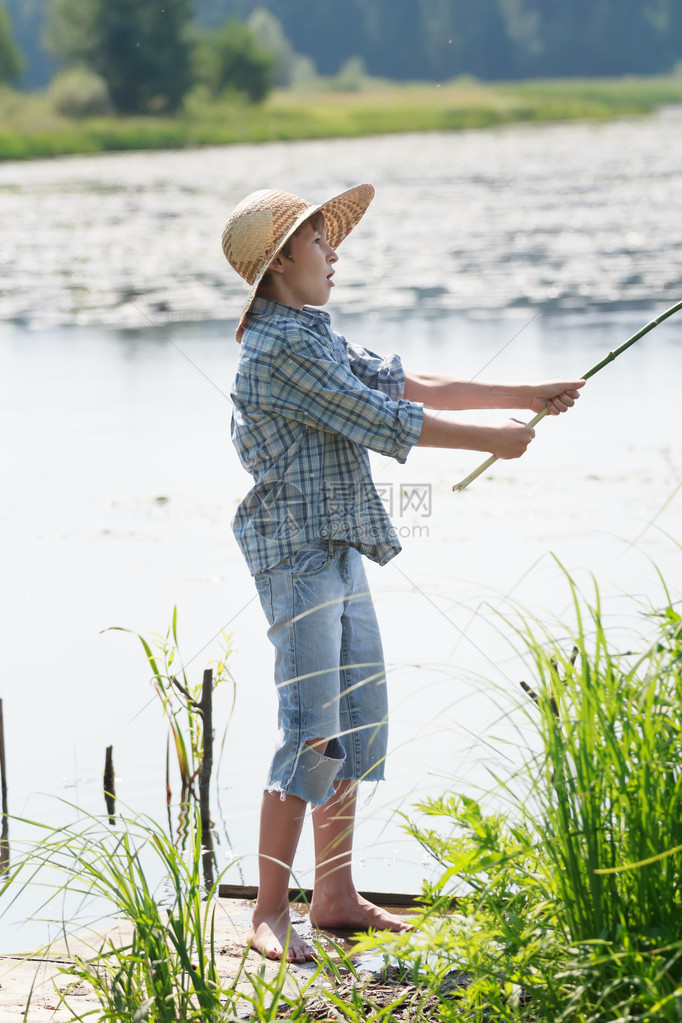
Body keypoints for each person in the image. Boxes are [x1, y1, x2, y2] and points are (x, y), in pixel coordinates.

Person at [221, 184, 583, 963]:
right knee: (312, 726)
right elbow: (380, 420)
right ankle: (271, 910)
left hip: (338, 542)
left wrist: (527, 395)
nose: (334, 253)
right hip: (297, 555)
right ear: (281, 261)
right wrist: (491, 440)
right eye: (319, 242)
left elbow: (404, 383)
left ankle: (338, 894)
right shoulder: (278, 349)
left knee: (351, 715)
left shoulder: (310, 332)